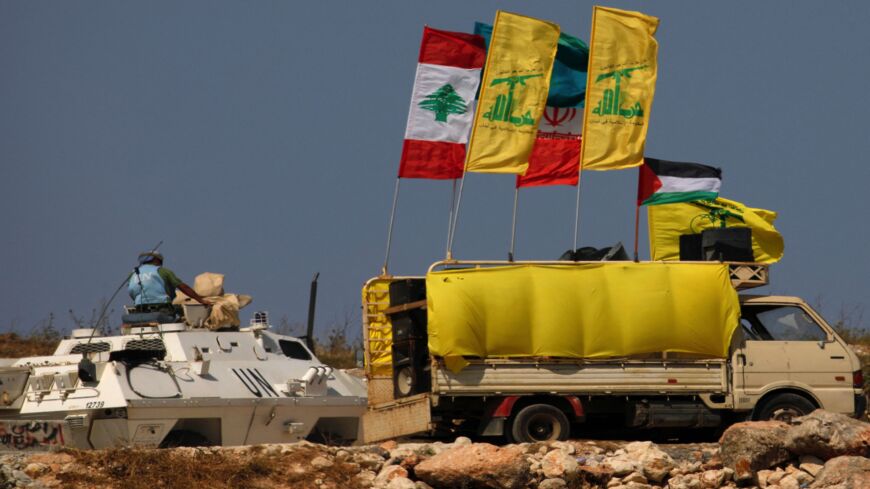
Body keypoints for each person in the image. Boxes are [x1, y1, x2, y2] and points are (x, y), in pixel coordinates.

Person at [127, 252, 210, 309]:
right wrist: (200, 300)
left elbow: (131, 291)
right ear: (155, 260)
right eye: (160, 261)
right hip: (161, 306)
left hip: (140, 307)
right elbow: (183, 287)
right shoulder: (162, 271)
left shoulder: (133, 273)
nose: (161, 264)